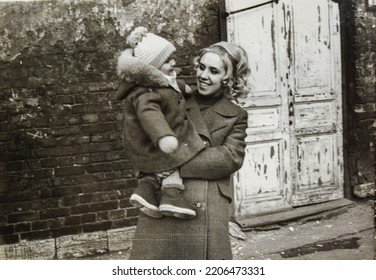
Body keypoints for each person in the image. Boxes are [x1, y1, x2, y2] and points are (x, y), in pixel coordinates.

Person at [129, 41, 250, 260]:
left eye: (214, 71)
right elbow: (142, 134)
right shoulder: (173, 96)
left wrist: (172, 163)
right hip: (165, 196)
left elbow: (230, 157)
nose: (203, 75)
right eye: (201, 67)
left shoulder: (236, 114)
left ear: (228, 78)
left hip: (207, 202)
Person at [116, 27, 205, 220]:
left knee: (155, 171)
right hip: (154, 143)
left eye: (172, 58)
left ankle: (145, 192)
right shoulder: (145, 92)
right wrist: (163, 136)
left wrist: (183, 87)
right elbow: (150, 115)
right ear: (152, 69)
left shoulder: (159, 82)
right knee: (172, 165)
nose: (173, 62)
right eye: (167, 61)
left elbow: (171, 85)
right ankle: (171, 197)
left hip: (150, 145)